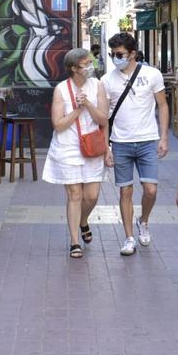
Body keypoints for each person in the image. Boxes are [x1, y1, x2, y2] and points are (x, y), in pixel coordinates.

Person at [100, 32, 169, 256]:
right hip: (121, 142)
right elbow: (104, 117)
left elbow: (163, 106)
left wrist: (164, 137)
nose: (115, 58)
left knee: (150, 190)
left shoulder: (152, 75)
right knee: (125, 192)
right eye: (112, 54)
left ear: (132, 54)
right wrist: (106, 148)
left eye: (119, 54)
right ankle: (129, 237)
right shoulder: (107, 80)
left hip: (148, 140)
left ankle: (144, 221)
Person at [43, 47, 110, 258]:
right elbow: (58, 124)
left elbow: (103, 120)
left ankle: (83, 220)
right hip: (67, 147)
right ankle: (74, 242)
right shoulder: (61, 89)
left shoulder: (98, 85)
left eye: (91, 63)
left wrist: (88, 104)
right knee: (75, 194)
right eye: (86, 64)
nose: (91, 67)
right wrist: (77, 110)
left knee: (91, 196)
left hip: (92, 147)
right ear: (73, 68)